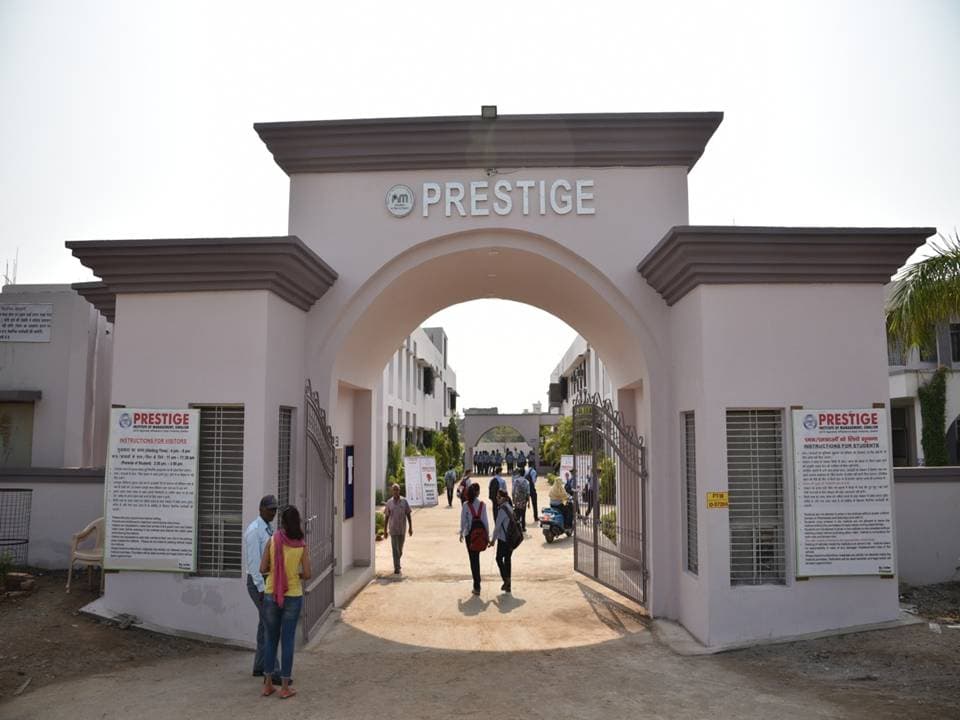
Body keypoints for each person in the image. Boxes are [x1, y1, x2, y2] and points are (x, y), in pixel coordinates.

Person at [260, 505, 311, 699]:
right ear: (297, 522)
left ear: (282, 522)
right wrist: (294, 575)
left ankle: (267, 685)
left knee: (270, 639)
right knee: (288, 641)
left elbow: (262, 568)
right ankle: (284, 688)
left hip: (271, 593)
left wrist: (276, 572)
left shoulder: (273, 540)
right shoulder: (301, 545)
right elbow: (308, 573)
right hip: (293, 595)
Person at [243, 494, 281, 684]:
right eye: (270, 509)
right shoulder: (254, 531)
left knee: (264, 624)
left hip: (266, 581)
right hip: (258, 582)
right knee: (271, 624)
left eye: (275, 509)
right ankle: (274, 671)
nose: (273, 512)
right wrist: (261, 588)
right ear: (261, 509)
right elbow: (254, 562)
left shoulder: (267, 528)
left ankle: (259, 666)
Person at [459, 482, 489, 595]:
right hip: (480, 535)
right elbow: (485, 522)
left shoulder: (466, 505)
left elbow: (463, 521)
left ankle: (477, 585)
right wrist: (487, 536)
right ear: (478, 492)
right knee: (477, 558)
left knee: (473, 560)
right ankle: (477, 584)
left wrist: (461, 533)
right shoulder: (482, 505)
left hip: (469, 536)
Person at [383, 483, 413, 574]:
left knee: (400, 549)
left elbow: (408, 514)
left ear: (399, 491)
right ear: (392, 491)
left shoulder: (404, 501)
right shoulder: (389, 502)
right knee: (395, 549)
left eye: (397, 490)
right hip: (393, 529)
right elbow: (386, 517)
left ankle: (397, 562)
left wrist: (410, 527)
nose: (395, 491)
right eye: (394, 490)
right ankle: (397, 567)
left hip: (402, 529)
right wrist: (385, 530)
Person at [490, 489, 517, 593]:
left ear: (504, 498)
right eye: (497, 497)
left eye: (499, 497)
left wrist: (493, 540)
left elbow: (497, 527)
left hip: (503, 539)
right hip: (511, 539)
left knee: (498, 558)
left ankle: (506, 580)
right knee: (508, 560)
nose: (497, 499)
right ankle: (508, 584)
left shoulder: (502, 510)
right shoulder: (509, 507)